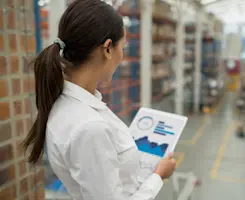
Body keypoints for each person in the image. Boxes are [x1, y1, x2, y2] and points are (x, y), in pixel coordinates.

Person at [22, 0, 176, 199]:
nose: (122, 56)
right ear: (108, 48)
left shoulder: (70, 104)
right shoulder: (88, 127)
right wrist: (158, 176)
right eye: (123, 46)